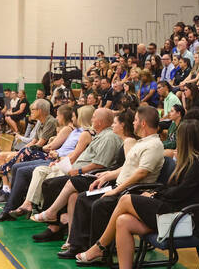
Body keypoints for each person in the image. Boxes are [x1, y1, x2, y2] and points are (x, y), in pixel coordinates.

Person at [78, 119, 199, 269]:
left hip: (187, 221)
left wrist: (154, 196)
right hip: (178, 214)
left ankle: (100, 247)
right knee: (123, 221)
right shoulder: (193, 160)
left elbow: (179, 193)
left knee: (125, 199)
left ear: (186, 140)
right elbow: (174, 190)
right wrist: (155, 193)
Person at [58, 106, 165, 260]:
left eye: (135, 120)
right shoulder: (142, 142)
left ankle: (100, 251)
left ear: (142, 123)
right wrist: (106, 177)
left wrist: (116, 190)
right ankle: (78, 245)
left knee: (100, 205)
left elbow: (141, 173)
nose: (133, 123)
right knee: (83, 197)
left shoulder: (154, 145)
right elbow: (127, 168)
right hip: (119, 186)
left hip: (131, 191)